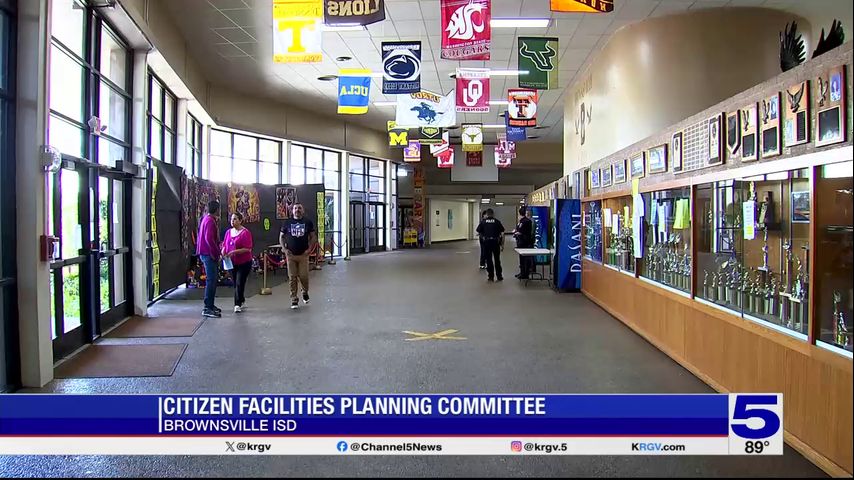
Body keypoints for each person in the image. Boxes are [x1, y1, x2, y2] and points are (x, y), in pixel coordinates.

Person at [280, 203, 316, 310]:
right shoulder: (287, 222)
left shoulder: (307, 222)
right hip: (291, 255)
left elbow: (313, 237)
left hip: (303, 255)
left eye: (299, 208)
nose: (297, 210)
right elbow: (281, 237)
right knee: (292, 277)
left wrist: (309, 249)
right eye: (295, 208)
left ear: (303, 210)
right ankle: (294, 298)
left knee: (304, 276)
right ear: (292, 211)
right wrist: (284, 249)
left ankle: (304, 291)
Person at [222, 212, 254, 313]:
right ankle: (241, 298)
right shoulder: (228, 232)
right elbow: (224, 244)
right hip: (231, 263)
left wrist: (234, 252)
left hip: (244, 262)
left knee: (240, 282)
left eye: (235, 219)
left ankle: (237, 304)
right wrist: (223, 251)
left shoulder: (245, 233)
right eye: (231, 219)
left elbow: (248, 248)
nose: (232, 221)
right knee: (236, 283)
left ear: (240, 220)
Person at [197, 200, 222, 318]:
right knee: (211, 280)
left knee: (213, 279)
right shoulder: (210, 221)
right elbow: (209, 239)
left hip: (206, 253)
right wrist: (216, 253)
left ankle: (210, 305)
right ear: (217, 210)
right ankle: (207, 307)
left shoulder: (206, 219)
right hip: (208, 254)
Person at [476, 208, 505, 282]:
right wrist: (502, 245)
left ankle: (491, 277)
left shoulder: (483, 222)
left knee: (489, 260)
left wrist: (483, 237)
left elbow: (478, 231)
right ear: (493, 214)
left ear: (487, 214)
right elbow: (502, 233)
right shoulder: (497, 222)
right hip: (496, 242)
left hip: (487, 243)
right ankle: (499, 276)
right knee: (497, 260)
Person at [513, 205, 534, 280]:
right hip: (522, 241)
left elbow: (522, 231)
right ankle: (522, 272)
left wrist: (517, 232)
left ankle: (525, 273)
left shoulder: (525, 221)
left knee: (524, 258)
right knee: (522, 258)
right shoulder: (523, 221)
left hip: (524, 242)